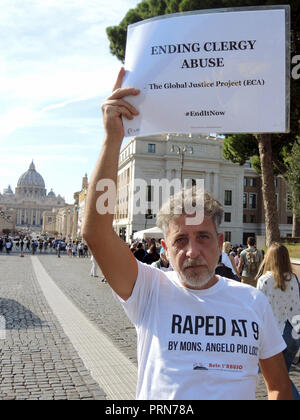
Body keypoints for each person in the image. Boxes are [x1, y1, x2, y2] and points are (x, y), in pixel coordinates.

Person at [82, 67, 292, 400]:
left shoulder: (253, 302)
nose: (192, 251)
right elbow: (95, 232)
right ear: (165, 248)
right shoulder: (149, 290)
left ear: (221, 242)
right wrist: (112, 139)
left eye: (203, 237)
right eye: (180, 240)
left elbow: (279, 385)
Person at [256, 243, 300, 400]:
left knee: (278, 381)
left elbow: (258, 310)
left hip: (275, 335)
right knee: (283, 377)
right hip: (294, 334)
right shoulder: (294, 279)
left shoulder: (265, 280)